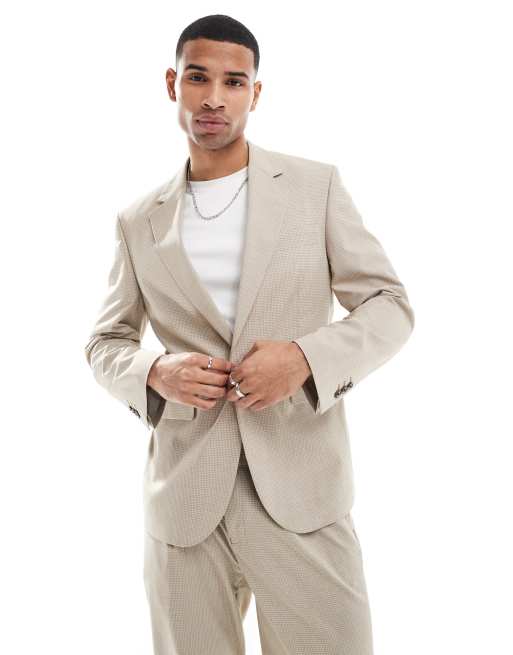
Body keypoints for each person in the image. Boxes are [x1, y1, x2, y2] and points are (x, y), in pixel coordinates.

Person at [84, 13, 415, 655]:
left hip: (302, 491)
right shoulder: (138, 220)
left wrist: (304, 358)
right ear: (172, 84)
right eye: (198, 78)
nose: (214, 97)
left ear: (255, 93)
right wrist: (156, 372)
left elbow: (389, 305)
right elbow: (105, 343)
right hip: (184, 504)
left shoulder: (315, 188)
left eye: (234, 82)